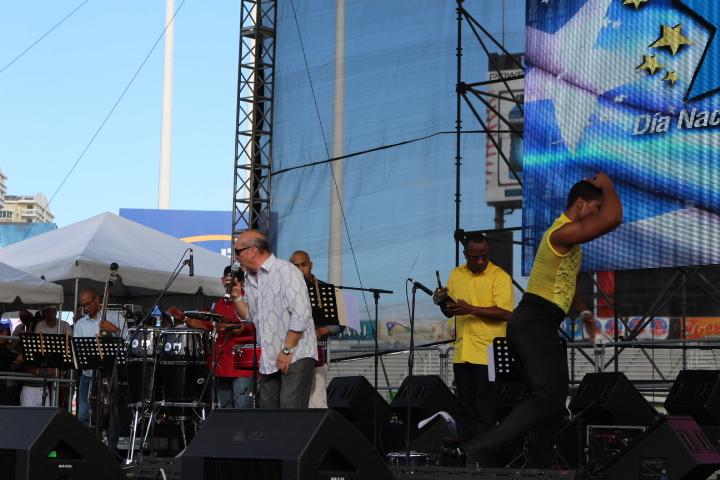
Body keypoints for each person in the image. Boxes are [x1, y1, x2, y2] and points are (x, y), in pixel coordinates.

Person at [464, 173, 621, 468]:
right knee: (547, 396)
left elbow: (565, 284)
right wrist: (608, 185)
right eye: (595, 208)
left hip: (540, 324)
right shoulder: (560, 233)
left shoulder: (570, 242)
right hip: (532, 322)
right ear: (581, 203)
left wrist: (585, 313)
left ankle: (541, 461)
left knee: (554, 402)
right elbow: (613, 218)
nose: (598, 214)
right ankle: (481, 448)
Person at [433, 233, 513, 444]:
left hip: (489, 352)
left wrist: (470, 309)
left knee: (485, 410)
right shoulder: (456, 274)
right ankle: (466, 452)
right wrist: (441, 302)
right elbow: (450, 312)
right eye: (475, 257)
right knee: (464, 408)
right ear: (465, 255)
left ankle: (483, 455)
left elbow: (506, 313)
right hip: (462, 351)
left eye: (485, 255)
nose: (480, 261)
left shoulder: (500, 277)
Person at [234, 230, 317, 408]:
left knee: (289, 411)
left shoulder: (285, 270)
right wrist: (237, 296)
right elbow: (249, 316)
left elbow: (301, 313)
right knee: (269, 413)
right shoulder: (249, 278)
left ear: (252, 250)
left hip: (295, 354)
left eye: (237, 252)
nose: (235, 257)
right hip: (269, 358)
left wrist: (286, 351)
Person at [172, 264, 256, 408]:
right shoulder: (219, 304)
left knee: (241, 412)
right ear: (223, 280)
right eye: (227, 280)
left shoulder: (249, 300)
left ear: (242, 282)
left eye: (235, 280)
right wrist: (185, 318)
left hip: (242, 365)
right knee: (224, 411)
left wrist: (225, 325)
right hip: (221, 364)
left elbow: (243, 327)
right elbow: (208, 326)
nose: (230, 283)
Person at [73, 287, 127, 449]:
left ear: (97, 299)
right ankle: (85, 448)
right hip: (88, 374)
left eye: (89, 303)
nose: (86, 307)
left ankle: (112, 449)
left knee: (111, 413)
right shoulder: (80, 324)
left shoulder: (115, 316)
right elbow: (77, 350)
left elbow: (130, 339)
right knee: (83, 413)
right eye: (83, 305)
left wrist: (115, 330)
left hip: (109, 374)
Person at [289, 250, 344, 408]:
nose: (300, 269)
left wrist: (323, 330)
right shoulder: (284, 290)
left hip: (317, 352)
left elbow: (341, 323)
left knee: (317, 400)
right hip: (290, 353)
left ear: (311, 265)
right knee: (292, 397)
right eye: (296, 266)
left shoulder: (326, 289)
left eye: (304, 265)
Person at [18, 305, 72, 407]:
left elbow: (70, 344)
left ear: (56, 312)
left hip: (59, 364)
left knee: (60, 395)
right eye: (48, 311)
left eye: (53, 311)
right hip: (44, 364)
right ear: (45, 313)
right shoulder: (39, 325)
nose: (51, 313)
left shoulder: (64, 325)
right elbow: (36, 346)